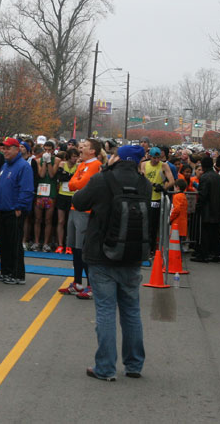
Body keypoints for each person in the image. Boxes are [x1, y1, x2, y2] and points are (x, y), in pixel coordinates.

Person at [72, 145, 150, 381]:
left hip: (101, 253)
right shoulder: (144, 184)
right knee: (131, 310)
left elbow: (79, 200)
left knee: (106, 310)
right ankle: (134, 365)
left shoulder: (102, 179)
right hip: (132, 253)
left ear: (118, 158)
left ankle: (105, 368)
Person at [60, 139, 102, 299]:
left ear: (92, 151)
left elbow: (80, 183)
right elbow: (71, 184)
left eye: (84, 146)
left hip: (86, 211)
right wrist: (75, 181)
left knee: (84, 249)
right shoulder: (81, 165)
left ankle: (91, 285)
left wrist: (75, 181)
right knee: (75, 248)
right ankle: (77, 282)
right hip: (74, 209)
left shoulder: (95, 165)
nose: (80, 148)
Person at [0, 137, 34, 285]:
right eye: (3, 148)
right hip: (3, 209)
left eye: (8, 148)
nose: (5, 151)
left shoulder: (24, 166)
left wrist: (20, 207)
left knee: (14, 243)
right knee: (4, 243)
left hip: (14, 211)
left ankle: (17, 274)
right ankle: (6, 271)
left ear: (17, 149)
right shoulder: (5, 166)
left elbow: (27, 189)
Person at [140, 147, 175, 251]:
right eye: (154, 158)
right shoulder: (144, 164)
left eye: (158, 158)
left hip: (157, 198)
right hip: (145, 197)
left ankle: (151, 248)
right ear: (150, 156)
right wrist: (150, 184)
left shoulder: (164, 165)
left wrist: (163, 187)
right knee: (144, 223)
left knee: (153, 225)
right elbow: (142, 177)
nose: (156, 160)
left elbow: (172, 180)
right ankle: (144, 247)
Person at [194, 156, 220, 263]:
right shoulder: (218, 177)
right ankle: (217, 254)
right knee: (215, 233)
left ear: (203, 166)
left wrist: (198, 206)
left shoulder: (204, 177)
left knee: (205, 233)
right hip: (217, 209)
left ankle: (204, 254)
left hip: (207, 210)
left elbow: (203, 195)